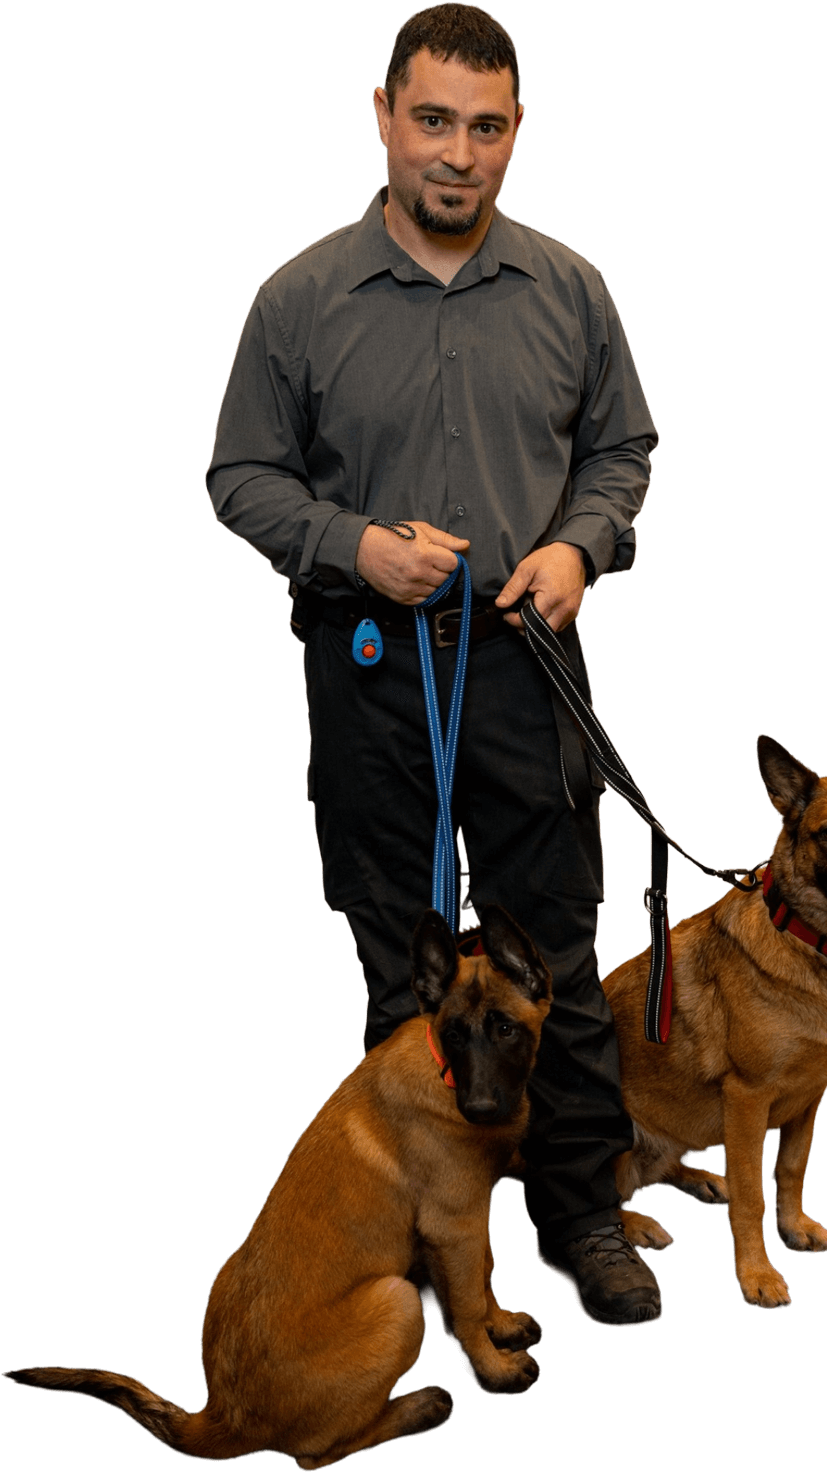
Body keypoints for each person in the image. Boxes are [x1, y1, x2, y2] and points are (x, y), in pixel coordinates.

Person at [206, 3, 660, 1328]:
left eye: (485, 127)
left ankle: (582, 1218)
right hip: (368, 677)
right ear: (382, 116)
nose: (455, 155)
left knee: (561, 964)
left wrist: (581, 549)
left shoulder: (570, 288)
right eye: (431, 121)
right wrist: (351, 545)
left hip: (530, 674)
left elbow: (622, 453)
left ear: (516, 134)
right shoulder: (297, 299)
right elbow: (237, 476)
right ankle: (411, 1243)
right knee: (404, 972)